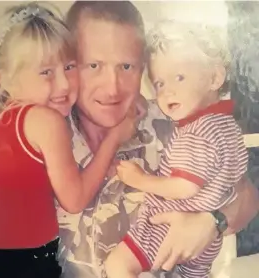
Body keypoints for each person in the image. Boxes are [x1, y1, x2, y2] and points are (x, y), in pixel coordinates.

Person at [58, 1, 259, 278]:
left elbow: (248, 196)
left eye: (126, 66)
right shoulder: (44, 140)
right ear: (70, 66)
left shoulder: (176, 121)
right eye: (94, 65)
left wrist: (213, 221)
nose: (113, 86)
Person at [0, 2, 136, 278]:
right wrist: (115, 137)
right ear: (6, 80)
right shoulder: (45, 120)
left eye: (69, 67)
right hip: (31, 266)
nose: (64, 84)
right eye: (45, 72)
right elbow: (75, 199)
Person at [105, 20, 248, 278]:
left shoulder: (196, 132)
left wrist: (140, 179)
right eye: (159, 83)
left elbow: (185, 187)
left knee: (118, 266)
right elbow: (234, 180)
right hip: (204, 244)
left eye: (179, 77)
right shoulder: (228, 127)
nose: (167, 91)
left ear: (215, 77)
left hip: (168, 226)